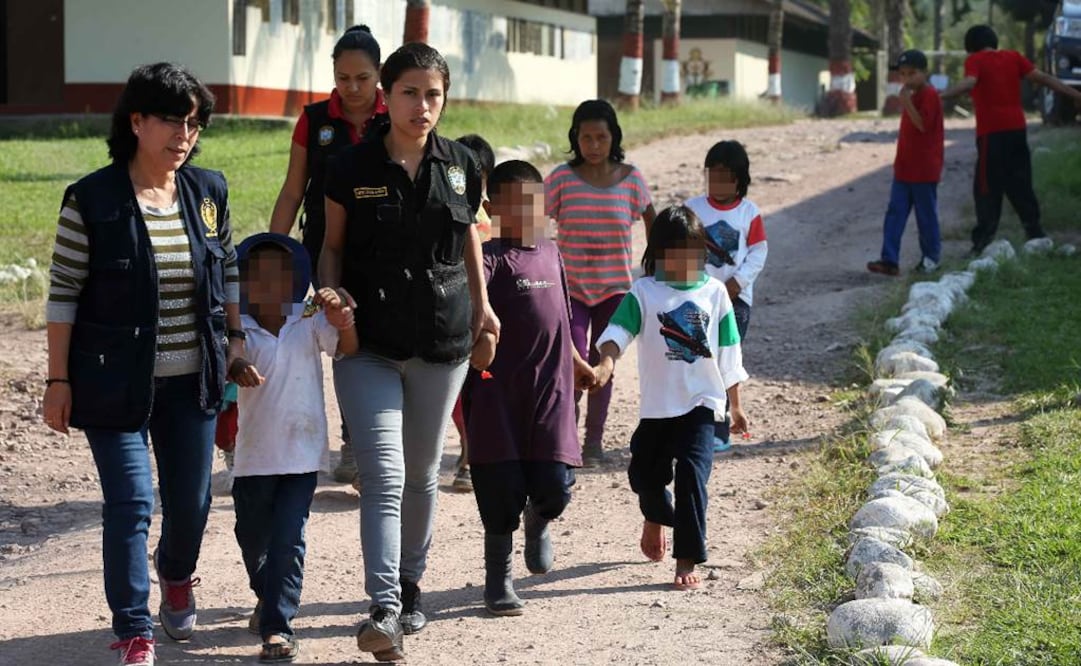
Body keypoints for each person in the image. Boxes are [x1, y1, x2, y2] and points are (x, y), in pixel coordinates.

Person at [42, 62, 245, 666]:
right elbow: (62, 293)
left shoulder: (208, 192)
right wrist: (58, 379)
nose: (184, 134)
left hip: (193, 381)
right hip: (113, 382)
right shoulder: (92, 199)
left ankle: (176, 574)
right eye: (171, 120)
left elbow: (228, 267)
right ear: (136, 121)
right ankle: (133, 627)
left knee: (192, 504)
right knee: (131, 502)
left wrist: (234, 340)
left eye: (193, 123)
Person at [320, 42, 500, 661]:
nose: (422, 106)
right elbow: (332, 249)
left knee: (423, 474)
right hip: (367, 343)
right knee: (384, 474)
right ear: (384, 95)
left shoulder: (463, 166)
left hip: (442, 342)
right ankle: (384, 608)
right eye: (409, 92)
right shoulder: (349, 168)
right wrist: (330, 291)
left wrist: (483, 308)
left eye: (433, 95)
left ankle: (412, 583)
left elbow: (470, 240)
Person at [462, 160, 595, 616]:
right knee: (499, 490)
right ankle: (498, 580)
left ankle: (539, 519)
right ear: (491, 207)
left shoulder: (552, 253)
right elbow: (474, 324)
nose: (524, 213)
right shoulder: (486, 258)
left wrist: (578, 362)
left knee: (555, 487)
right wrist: (483, 342)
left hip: (551, 393)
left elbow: (558, 315)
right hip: (497, 395)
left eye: (532, 203)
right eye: (513, 204)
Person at [592, 205, 749, 591]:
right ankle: (655, 516)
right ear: (658, 255)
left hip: (702, 405)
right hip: (658, 407)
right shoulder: (644, 292)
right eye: (674, 255)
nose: (684, 264)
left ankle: (686, 558)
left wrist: (736, 404)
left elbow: (729, 352)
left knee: (693, 479)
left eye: (693, 255)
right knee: (645, 476)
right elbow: (617, 333)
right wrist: (606, 364)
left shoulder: (714, 294)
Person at [228, 233, 358, 663]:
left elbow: (347, 347)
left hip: (301, 455)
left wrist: (341, 316)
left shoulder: (309, 321)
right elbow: (230, 360)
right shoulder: (237, 329)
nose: (270, 284)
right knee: (251, 538)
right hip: (252, 458)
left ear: (295, 282)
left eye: (280, 276)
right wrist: (238, 366)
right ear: (242, 283)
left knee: (289, 540)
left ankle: (278, 629)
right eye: (258, 276)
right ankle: (268, 598)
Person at [269, 24, 387, 486]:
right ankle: (347, 443)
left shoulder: (393, 113)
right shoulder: (314, 120)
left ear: (379, 75)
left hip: (381, 251)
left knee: (374, 343)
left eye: (362, 78)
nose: (353, 88)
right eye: (343, 78)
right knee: (338, 343)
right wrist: (273, 252)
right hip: (325, 255)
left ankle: (364, 445)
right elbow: (293, 189)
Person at [545, 99, 656, 467]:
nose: (593, 145)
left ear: (614, 138)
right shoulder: (561, 178)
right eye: (586, 137)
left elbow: (652, 218)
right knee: (571, 363)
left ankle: (593, 442)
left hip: (615, 291)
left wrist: (656, 267)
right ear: (575, 138)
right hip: (571, 290)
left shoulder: (632, 179)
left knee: (603, 363)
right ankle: (567, 441)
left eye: (601, 137)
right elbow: (530, 217)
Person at [941, 24, 1081, 255]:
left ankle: (982, 241)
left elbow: (970, 82)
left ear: (970, 46)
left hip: (991, 133)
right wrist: (1076, 94)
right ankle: (1035, 232)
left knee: (987, 186)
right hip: (1017, 130)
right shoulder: (1014, 57)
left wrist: (942, 95)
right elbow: (1044, 78)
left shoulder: (975, 60)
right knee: (1020, 181)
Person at [684, 140, 766, 452]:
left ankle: (719, 428)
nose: (717, 182)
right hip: (698, 299)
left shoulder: (750, 213)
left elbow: (759, 252)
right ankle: (693, 423)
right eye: (712, 174)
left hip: (736, 302)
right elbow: (682, 246)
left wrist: (738, 283)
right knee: (696, 358)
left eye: (726, 176)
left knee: (723, 359)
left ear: (740, 180)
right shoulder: (693, 208)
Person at [867, 50, 944, 277]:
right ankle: (889, 259)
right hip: (904, 169)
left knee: (926, 216)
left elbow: (923, 126)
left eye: (912, 73)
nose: (907, 79)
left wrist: (907, 103)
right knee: (895, 213)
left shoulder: (929, 95)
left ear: (924, 73)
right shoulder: (910, 95)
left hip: (924, 170)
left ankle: (931, 259)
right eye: (903, 74)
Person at [448, 132, 496, 492]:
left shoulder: (486, 218)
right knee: (454, 393)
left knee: (475, 388)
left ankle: (470, 453)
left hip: (479, 315)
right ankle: (469, 446)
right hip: (448, 311)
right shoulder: (443, 206)